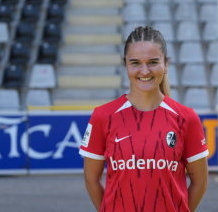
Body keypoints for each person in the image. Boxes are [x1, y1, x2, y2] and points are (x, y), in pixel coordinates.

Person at [79, 26, 209, 212]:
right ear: (126, 65)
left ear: (165, 65)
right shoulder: (102, 116)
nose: (144, 70)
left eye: (153, 62)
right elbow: (91, 180)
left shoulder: (187, 118)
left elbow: (200, 182)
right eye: (135, 63)